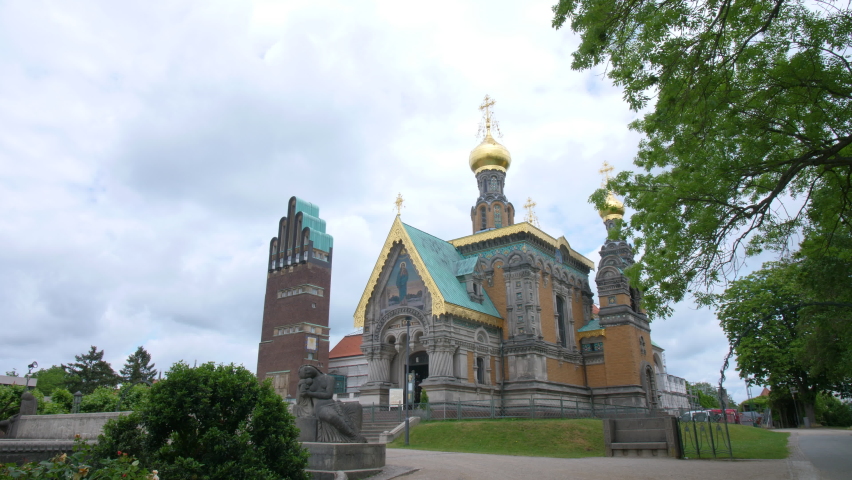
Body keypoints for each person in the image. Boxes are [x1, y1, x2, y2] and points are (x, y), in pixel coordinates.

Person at [295, 365, 366, 443]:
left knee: (356, 406)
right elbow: (301, 397)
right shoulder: (308, 382)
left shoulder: (329, 378)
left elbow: (328, 395)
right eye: (305, 374)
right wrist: (302, 386)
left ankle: (356, 432)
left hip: (333, 404)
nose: (307, 372)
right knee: (331, 415)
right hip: (320, 407)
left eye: (306, 369)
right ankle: (352, 435)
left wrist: (310, 393)